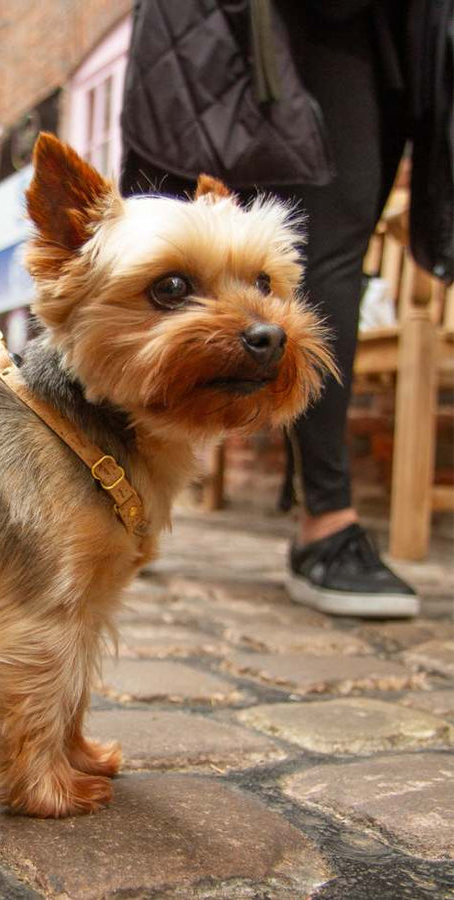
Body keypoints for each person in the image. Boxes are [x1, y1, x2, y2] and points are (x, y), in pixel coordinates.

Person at [119, 0, 453, 617]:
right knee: (152, 228)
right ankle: (119, 494)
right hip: (212, 19)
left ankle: (326, 517)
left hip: (365, 28)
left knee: (330, 245)